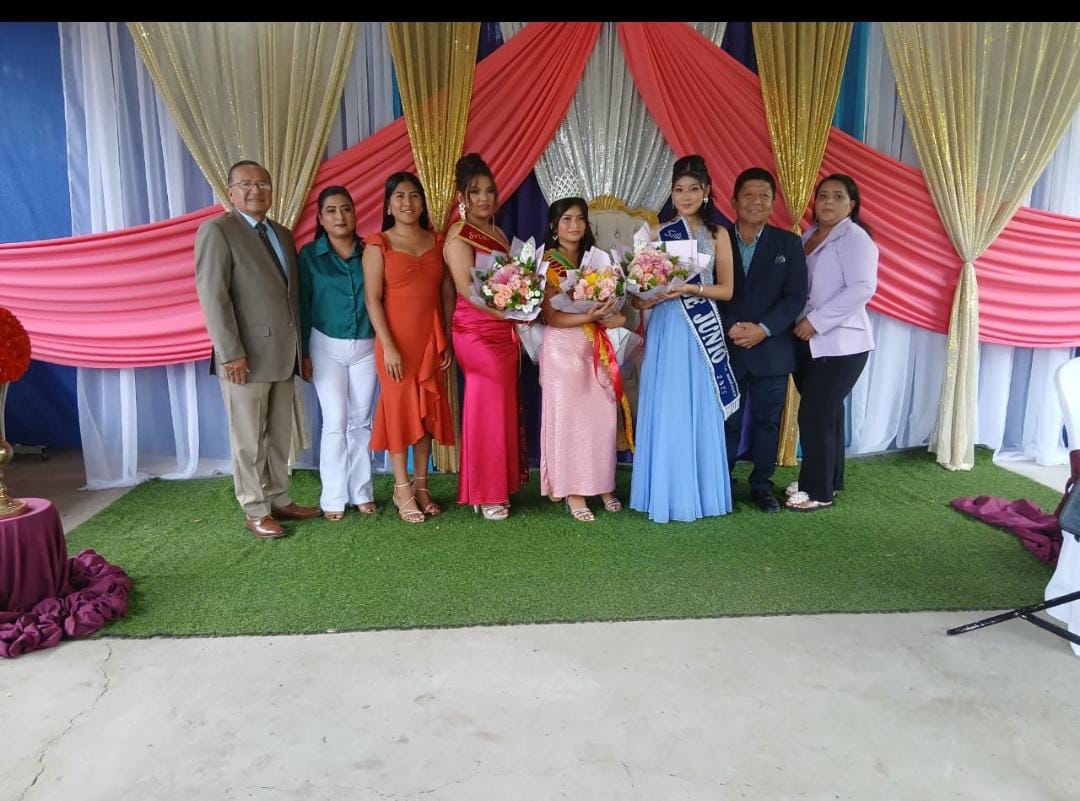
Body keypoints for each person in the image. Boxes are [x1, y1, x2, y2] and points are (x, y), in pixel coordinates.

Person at [194, 160, 320, 539]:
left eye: (263, 184)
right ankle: (255, 508)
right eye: (246, 184)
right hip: (244, 359)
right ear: (230, 192)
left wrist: (302, 351)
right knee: (248, 441)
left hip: (283, 354)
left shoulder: (281, 234)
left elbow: (290, 298)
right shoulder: (218, 231)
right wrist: (230, 352)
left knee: (279, 436)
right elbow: (213, 297)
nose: (255, 191)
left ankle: (279, 498)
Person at [629, 155, 737, 523]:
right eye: (679, 189)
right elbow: (638, 296)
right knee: (668, 404)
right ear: (671, 193)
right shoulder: (656, 234)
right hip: (665, 326)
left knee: (698, 405)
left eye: (693, 189)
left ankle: (700, 495)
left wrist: (692, 288)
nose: (686, 196)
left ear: (706, 191)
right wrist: (646, 296)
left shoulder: (719, 235)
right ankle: (663, 492)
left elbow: (727, 290)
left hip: (699, 332)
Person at [364, 172, 456, 524]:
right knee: (400, 412)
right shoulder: (379, 244)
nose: (407, 202)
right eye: (399, 196)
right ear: (388, 205)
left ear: (422, 202)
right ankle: (401, 488)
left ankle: (421, 485)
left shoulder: (437, 240)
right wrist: (388, 346)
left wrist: (446, 337)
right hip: (395, 343)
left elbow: (446, 293)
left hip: (430, 340)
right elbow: (372, 299)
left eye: (414, 195)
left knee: (427, 413)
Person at [442, 153, 527, 521]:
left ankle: (494, 485)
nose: (484, 198)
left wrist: (522, 305)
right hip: (475, 331)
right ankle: (485, 491)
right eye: (475, 191)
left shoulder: (499, 234)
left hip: (503, 329)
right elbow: (468, 291)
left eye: (490, 191)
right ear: (462, 197)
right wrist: (512, 313)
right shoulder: (459, 236)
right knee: (487, 406)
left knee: (501, 405)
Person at [720, 167, 809, 513]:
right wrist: (730, 326)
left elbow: (795, 296)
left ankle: (761, 485)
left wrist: (763, 329)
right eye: (749, 195)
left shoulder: (788, 243)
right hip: (726, 348)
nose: (756, 201)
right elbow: (706, 291)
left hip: (771, 349)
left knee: (767, 421)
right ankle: (722, 483)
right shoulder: (716, 239)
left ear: (773, 203)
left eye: (764, 196)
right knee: (727, 420)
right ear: (734, 201)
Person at [788, 174, 878, 512]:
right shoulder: (810, 234)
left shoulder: (856, 239)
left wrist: (816, 321)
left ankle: (818, 490)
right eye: (823, 195)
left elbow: (862, 288)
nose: (828, 202)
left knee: (815, 414)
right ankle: (829, 478)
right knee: (828, 414)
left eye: (837, 196)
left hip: (842, 344)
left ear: (852, 205)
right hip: (808, 341)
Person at [538, 197, 625, 522]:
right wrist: (591, 316)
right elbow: (552, 316)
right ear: (554, 226)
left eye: (579, 219)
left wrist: (611, 315)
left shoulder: (597, 260)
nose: (574, 225)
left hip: (595, 345)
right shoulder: (547, 263)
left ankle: (603, 485)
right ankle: (573, 490)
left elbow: (612, 304)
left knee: (602, 418)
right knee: (569, 421)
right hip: (563, 349)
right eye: (566, 219)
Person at [298, 185, 378, 522]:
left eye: (346, 209)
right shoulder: (309, 255)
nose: (340, 216)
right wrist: (303, 353)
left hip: (367, 347)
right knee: (335, 421)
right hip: (325, 346)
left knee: (361, 421)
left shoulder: (371, 250)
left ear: (355, 213)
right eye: (331, 211)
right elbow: (301, 304)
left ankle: (362, 492)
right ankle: (333, 496)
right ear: (320, 218)